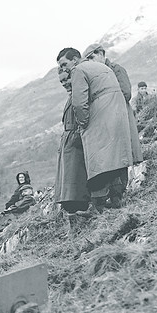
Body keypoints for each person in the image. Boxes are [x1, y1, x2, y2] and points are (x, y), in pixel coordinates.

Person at [57, 47, 134, 212]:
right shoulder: (102, 67)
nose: (63, 69)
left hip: (100, 116)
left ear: (75, 60)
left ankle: (98, 204)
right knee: (114, 159)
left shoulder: (78, 70)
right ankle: (116, 198)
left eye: (64, 64)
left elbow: (79, 103)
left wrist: (84, 123)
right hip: (117, 113)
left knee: (98, 162)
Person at [83, 43, 144, 169]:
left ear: (101, 54)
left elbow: (126, 92)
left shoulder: (116, 69)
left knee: (123, 151)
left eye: (91, 57)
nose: (90, 62)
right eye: (87, 59)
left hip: (120, 113)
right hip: (109, 116)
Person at [53, 70, 91, 217]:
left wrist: (75, 136)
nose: (64, 84)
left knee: (75, 176)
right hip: (68, 142)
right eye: (61, 82)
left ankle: (77, 205)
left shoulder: (78, 95)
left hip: (75, 141)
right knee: (68, 177)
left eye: (66, 80)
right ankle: (70, 206)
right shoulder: (71, 96)